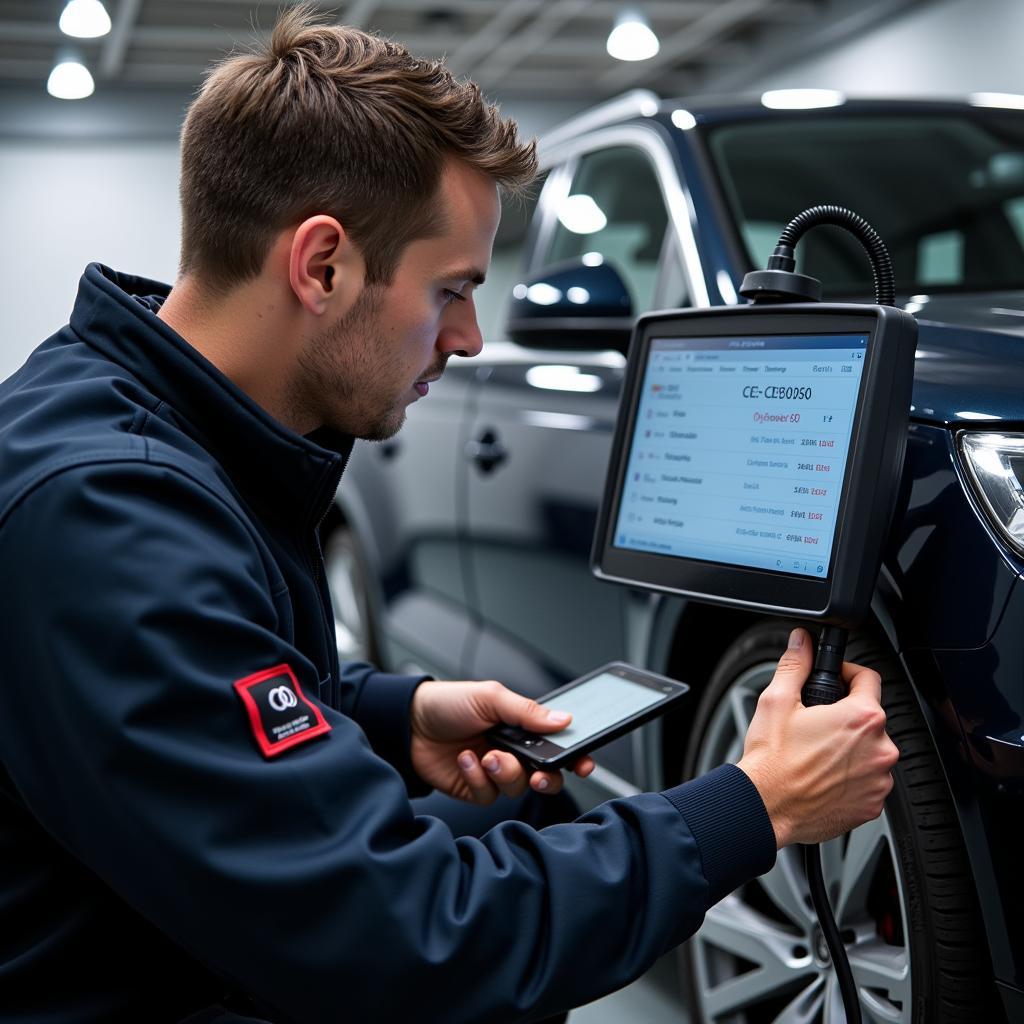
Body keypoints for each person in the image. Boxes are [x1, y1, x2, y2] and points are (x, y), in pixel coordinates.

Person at [0, 7, 899, 1022]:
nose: (472, 338)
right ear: (323, 265)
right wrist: (757, 803)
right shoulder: (111, 517)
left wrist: (387, 715)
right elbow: (412, 938)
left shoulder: (140, 421)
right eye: (454, 289)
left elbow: (207, 693)